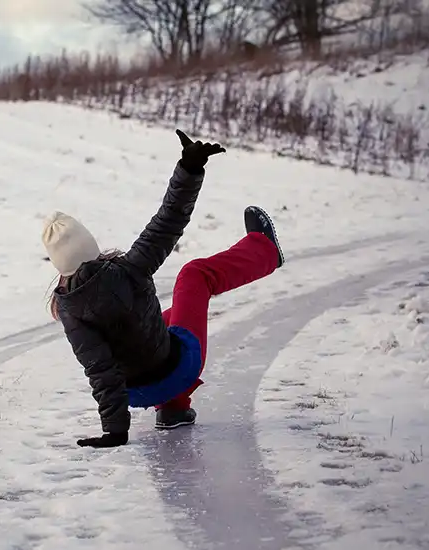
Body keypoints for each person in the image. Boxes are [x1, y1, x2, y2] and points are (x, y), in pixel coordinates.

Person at [43, 129, 284, 449]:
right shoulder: (129, 269)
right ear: (91, 246)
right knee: (194, 275)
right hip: (177, 370)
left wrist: (115, 431)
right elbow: (167, 221)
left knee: (163, 318)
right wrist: (190, 168)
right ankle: (265, 250)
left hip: (137, 392)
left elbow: (99, 369)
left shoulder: (69, 308)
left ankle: (173, 410)